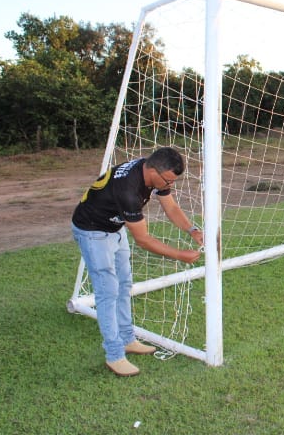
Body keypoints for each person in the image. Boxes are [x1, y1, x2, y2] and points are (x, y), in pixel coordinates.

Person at [72, 147, 203, 377]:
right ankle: (114, 355)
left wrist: (192, 230)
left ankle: (127, 339)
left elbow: (170, 205)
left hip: (114, 227)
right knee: (107, 292)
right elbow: (143, 240)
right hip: (92, 231)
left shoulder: (155, 174)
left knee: (124, 285)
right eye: (167, 180)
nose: (168, 185)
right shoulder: (128, 191)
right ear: (154, 170)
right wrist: (180, 255)